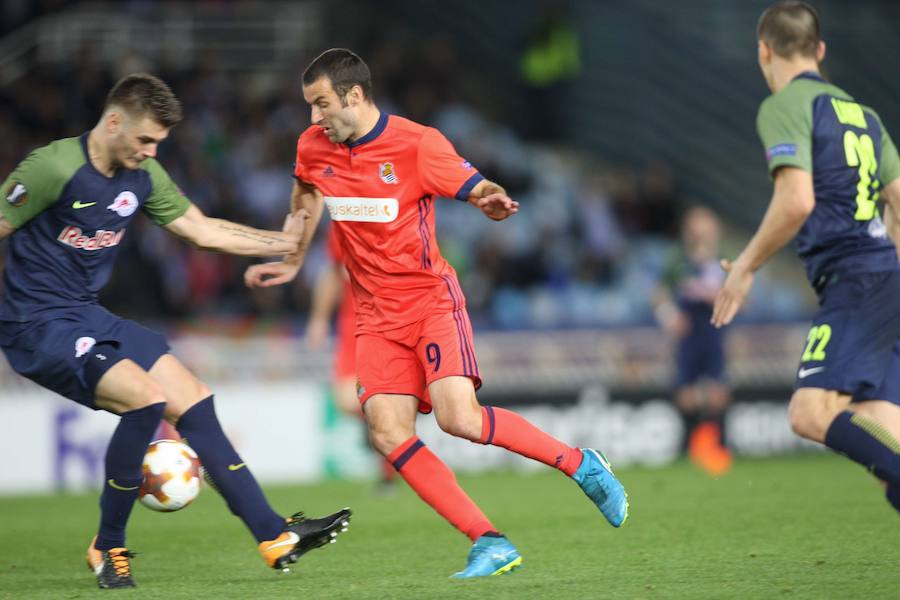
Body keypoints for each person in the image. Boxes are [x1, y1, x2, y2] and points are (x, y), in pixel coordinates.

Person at [245, 48, 628, 579]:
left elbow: (475, 184)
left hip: (429, 302)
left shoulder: (417, 144)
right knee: (386, 432)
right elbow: (305, 197)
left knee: (460, 419)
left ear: (354, 97)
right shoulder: (314, 146)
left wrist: (491, 199)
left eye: (321, 104)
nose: (313, 118)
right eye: (310, 106)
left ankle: (581, 464)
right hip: (375, 315)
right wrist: (291, 257)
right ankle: (488, 541)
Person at [0, 73, 351, 589]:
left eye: (158, 143)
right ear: (113, 122)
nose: (150, 151)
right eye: (144, 139)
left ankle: (275, 534)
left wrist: (283, 242)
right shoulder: (54, 167)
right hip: (35, 323)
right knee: (145, 400)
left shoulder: (142, 177)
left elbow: (201, 229)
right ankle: (109, 547)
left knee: (194, 397)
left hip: (86, 313)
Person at [712, 1, 900, 513]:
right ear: (819, 50)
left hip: (854, 279)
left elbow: (797, 201)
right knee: (883, 439)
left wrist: (745, 266)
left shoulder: (785, 106)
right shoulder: (866, 116)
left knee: (809, 411)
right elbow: (898, 203)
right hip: (885, 277)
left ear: (763, 52)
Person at [306, 226, 396, 491]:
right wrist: (319, 319)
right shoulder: (341, 225)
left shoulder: (391, 216)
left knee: (381, 399)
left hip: (390, 320)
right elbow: (333, 272)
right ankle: (386, 434)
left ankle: (388, 471)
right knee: (347, 401)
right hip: (353, 324)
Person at [655, 206, 732, 475]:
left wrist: (721, 298)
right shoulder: (678, 260)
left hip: (713, 330)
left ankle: (718, 446)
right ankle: (690, 448)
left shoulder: (724, 258)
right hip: (689, 333)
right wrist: (669, 316)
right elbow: (659, 294)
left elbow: (741, 296)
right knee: (685, 394)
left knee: (717, 392)